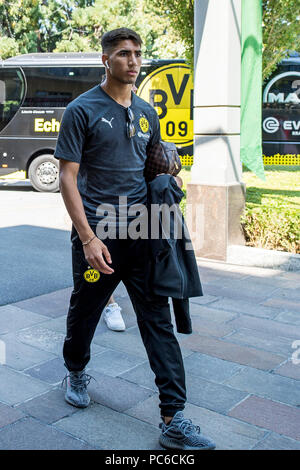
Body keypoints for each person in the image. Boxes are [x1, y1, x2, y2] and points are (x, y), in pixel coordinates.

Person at [55, 27, 215, 451]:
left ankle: (173, 416)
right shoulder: (81, 110)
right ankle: (75, 369)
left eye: (138, 53)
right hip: (98, 233)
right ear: (105, 60)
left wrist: (170, 167)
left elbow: (153, 165)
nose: (133, 60)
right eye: (124, 53)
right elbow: (67, 179)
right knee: (85, 312)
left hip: (143, 233)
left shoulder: (147, 112)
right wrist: (87, 239)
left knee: (157, 322)